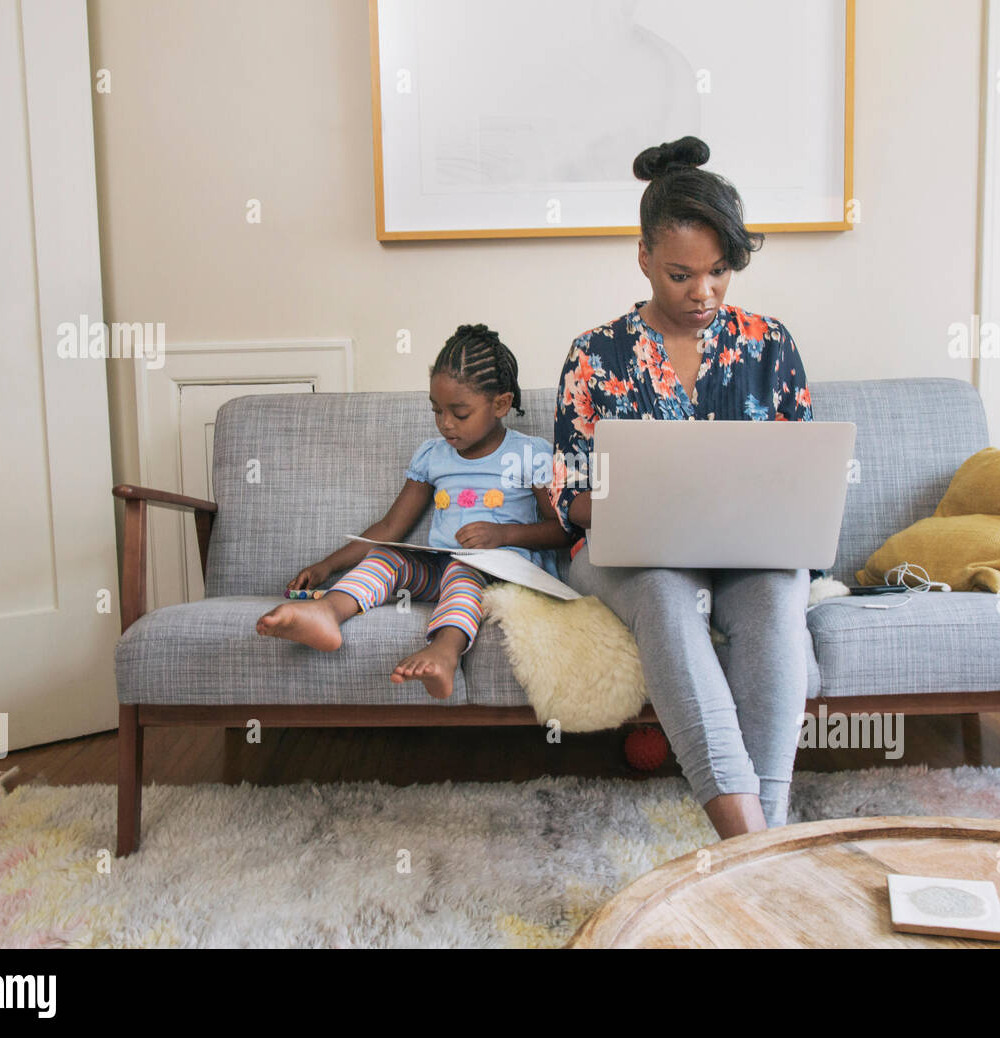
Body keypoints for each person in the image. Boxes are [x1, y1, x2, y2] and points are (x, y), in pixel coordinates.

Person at [550, 136, 814, 840]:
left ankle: (764, 834)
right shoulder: (595, 354)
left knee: (779, 592)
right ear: (643, 257)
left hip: (746, 555)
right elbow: (565, 494)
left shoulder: (770, 345)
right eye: (680, 274)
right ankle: (756, 851)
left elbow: (803, 474)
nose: (704, 293)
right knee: (666, 591)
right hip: (631, 556)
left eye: (721, 272)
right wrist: (634, 504)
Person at [257, 323, 569, 700]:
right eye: (437, 411)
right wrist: (327, 565)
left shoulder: (528, 453)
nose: (446, 423)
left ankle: (445, 651)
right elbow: (390, 526)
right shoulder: (432, 456)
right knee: (387, 556)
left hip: (499, 574)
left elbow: (562, 531)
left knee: (463, 568)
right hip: (439, 569)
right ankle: (328, 613)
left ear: (500, 404)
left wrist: (503, 535)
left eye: (459, 412)